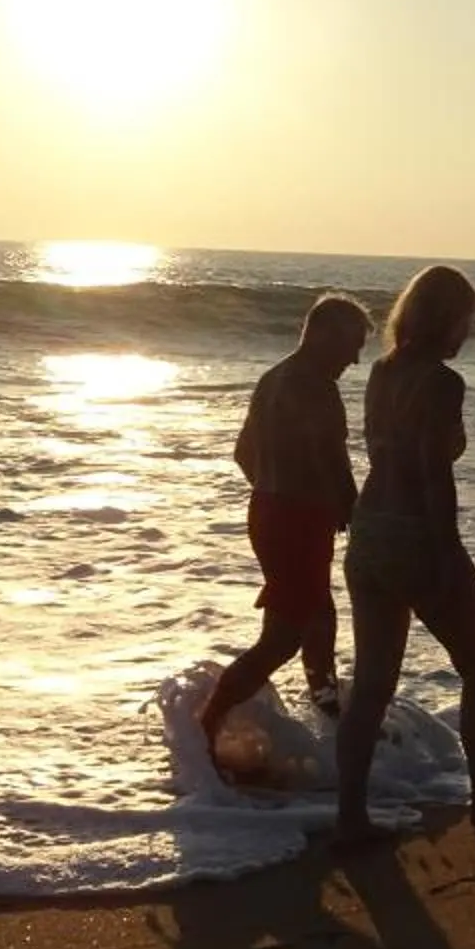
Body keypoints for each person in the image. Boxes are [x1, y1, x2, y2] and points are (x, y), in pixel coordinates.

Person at [333, 264, 475, 843]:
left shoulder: (380, 370)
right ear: (446, 319)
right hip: (415, 533)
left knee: (373, 683)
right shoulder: (442, 382)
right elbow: (431, 474)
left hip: (369, 527)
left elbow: (385, 451)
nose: (468, 331)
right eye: (466, 318)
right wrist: (446, 551)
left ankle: (349, 818)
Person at [200, 292, 370, 768]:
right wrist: (348, 512)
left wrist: (276, 491)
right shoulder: (316, 385)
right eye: (352, 345)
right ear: (320, 334)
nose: (356, 359)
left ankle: (329, 712)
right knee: (283, 637)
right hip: (298, 517)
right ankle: (207, 725)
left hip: (269, 510)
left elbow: (242, 454)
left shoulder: (272, 378)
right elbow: (334, 461)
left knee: (319, 612)